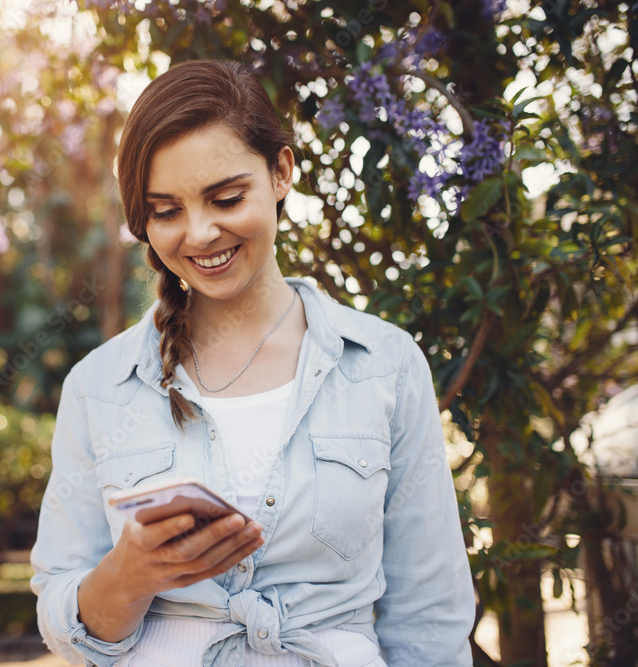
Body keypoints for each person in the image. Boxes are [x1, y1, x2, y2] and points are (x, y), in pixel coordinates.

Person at [29, 58, 475, 667]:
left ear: (282, 172)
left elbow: (430, 611)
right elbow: (62, 614)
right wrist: (129, 576)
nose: (201, 233)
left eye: (227, 197)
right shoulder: (99, 388)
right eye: (166, 211)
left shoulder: (385, 366)